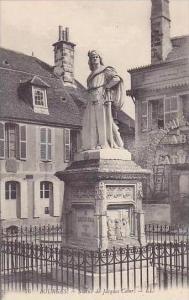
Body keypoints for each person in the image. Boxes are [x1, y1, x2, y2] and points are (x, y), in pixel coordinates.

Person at [81, 50, 125, 150]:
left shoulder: (105, 70)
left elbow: (116, 79)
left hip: (101, 96)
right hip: (91, 97)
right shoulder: (91, 74)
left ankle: (103, 143)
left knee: (102, 120)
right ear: (90, 60)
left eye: (96, 56)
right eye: (92, 57)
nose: (95, 59)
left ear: (100, 58)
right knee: (91, 121)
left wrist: (107, 87)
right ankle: (92, 144)